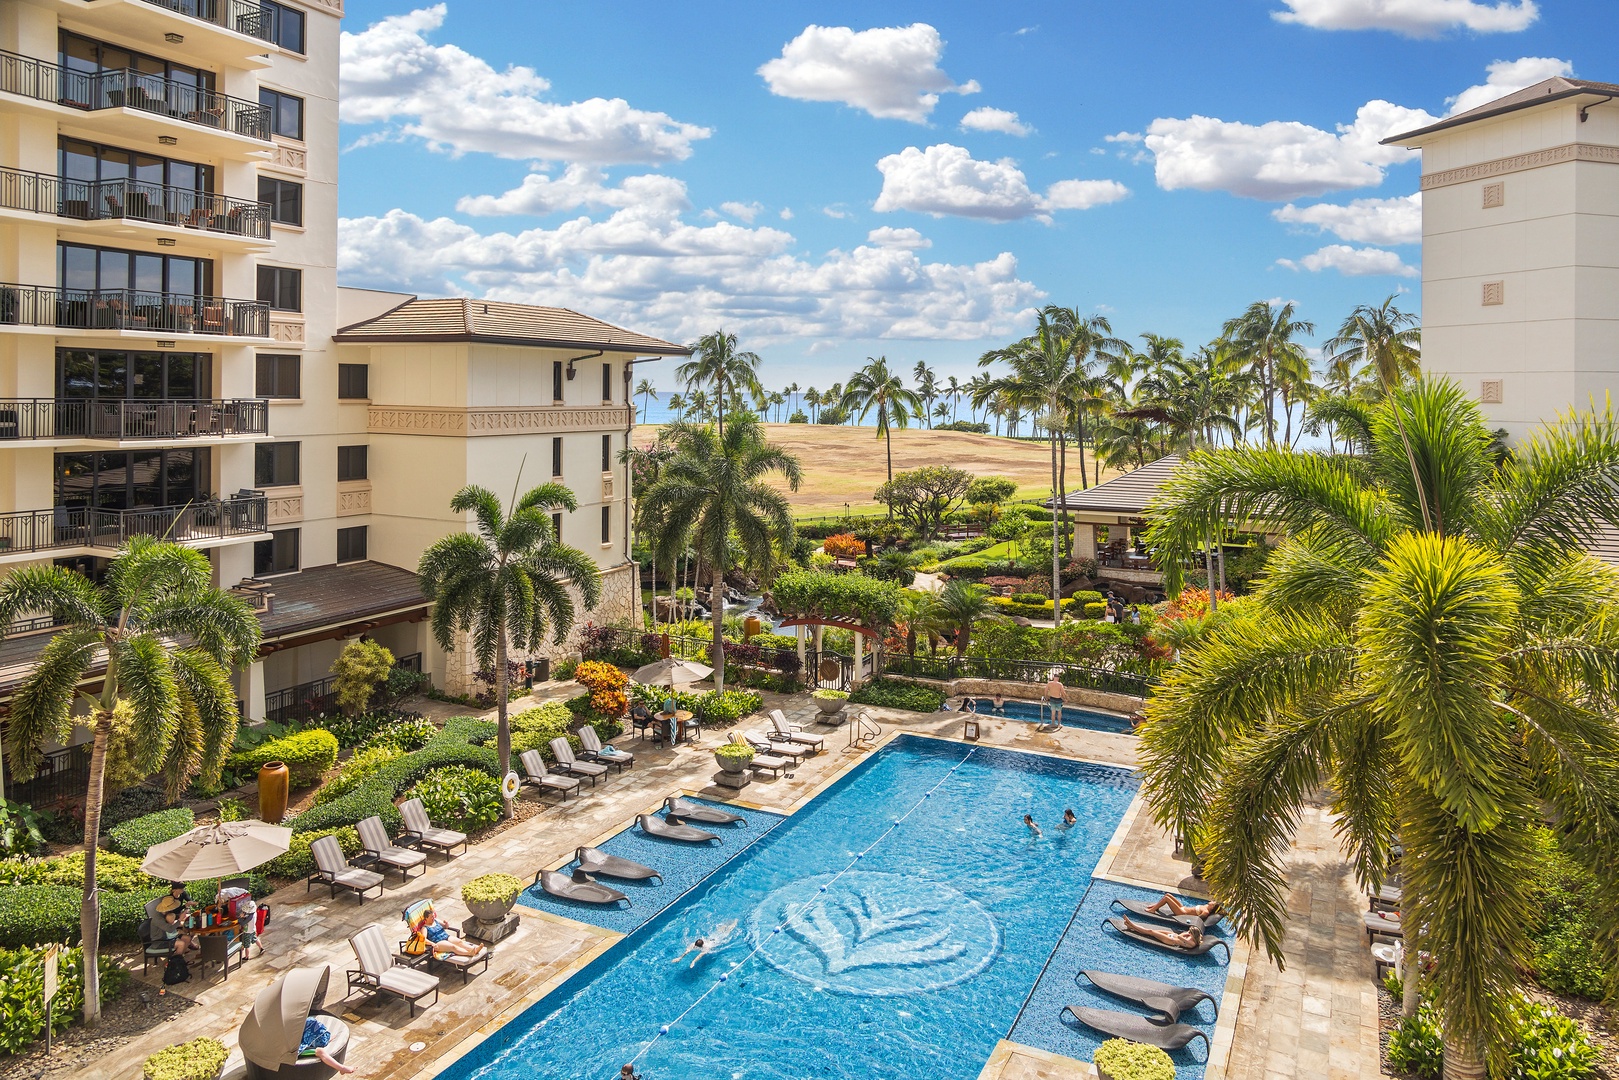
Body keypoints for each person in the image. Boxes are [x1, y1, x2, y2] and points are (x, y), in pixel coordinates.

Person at [419, 907, 486, 959]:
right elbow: (424, 939)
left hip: (446, 936)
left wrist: (446, 924)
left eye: (433, 916)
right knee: (453, 947)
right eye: (431, 917)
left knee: (459, 942)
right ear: (426, 919)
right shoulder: (424, 928)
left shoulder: (436, 921)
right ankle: (469, 953)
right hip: (438, 942)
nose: (433, 918)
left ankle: (474, 949)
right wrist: (432, 944)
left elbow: (446, 926)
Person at [216, 883, 261, 957]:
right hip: (253, 930)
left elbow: (242, 923)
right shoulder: (253, 914)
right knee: (255, 939)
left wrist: (240, 918)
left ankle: (246, 956)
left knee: (247, 946)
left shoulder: (249, 917)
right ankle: (261, 948)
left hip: (247, 932)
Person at [1121, 915, 1203, 950]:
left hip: (1170, 940)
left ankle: (1132, 924)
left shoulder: (1192, 943)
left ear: (1193, 934)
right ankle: (1131, 927)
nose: (1187, 932)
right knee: (1150, 931)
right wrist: (1187, 933)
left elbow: (1179, 937)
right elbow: (1180, 935)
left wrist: (1186, 933)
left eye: (1189, 931)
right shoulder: (1192, 937)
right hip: (1172, 935)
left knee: (1151, 932)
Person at [1146, 894, 1222, 920]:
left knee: (1166, 899)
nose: (1212, 901)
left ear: (1212, 907)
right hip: (1182, 907)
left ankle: (1153, 910)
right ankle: (1156, 906)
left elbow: (1197, 920)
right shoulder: (1206, 906)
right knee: (1167, 895)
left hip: (1181, 913)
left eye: (1213, 902)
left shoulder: (1206, 912)